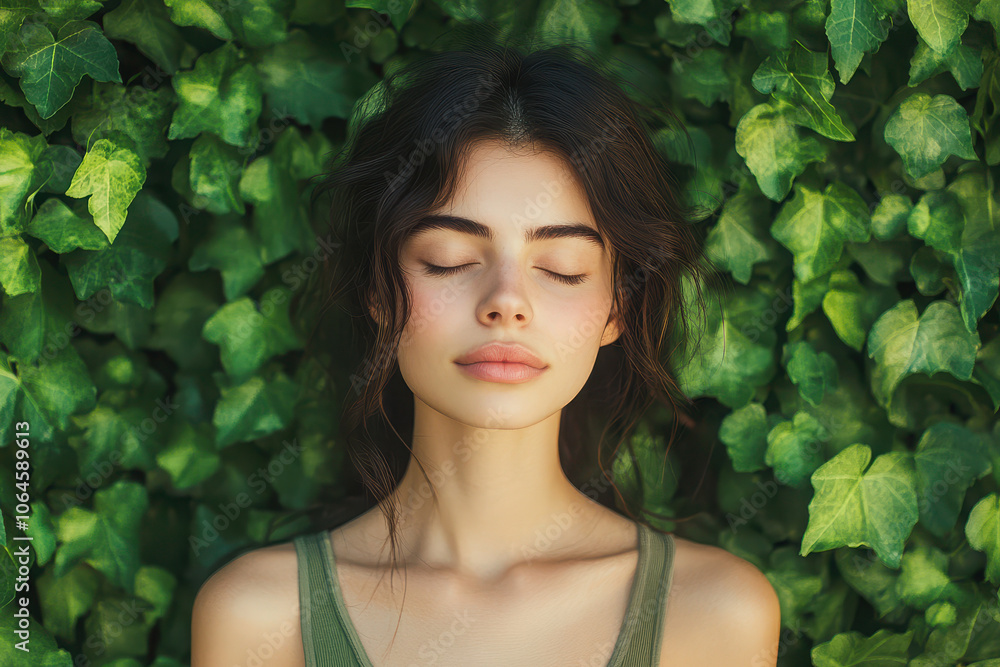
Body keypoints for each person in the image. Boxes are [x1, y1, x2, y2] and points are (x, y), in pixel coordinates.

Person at [191, 30, 781, 667]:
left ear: (620, 306)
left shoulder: (715, 614)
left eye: (560, 267)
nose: (507, 301)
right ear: (378, 291)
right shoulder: (261, 617)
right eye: (449, 261)